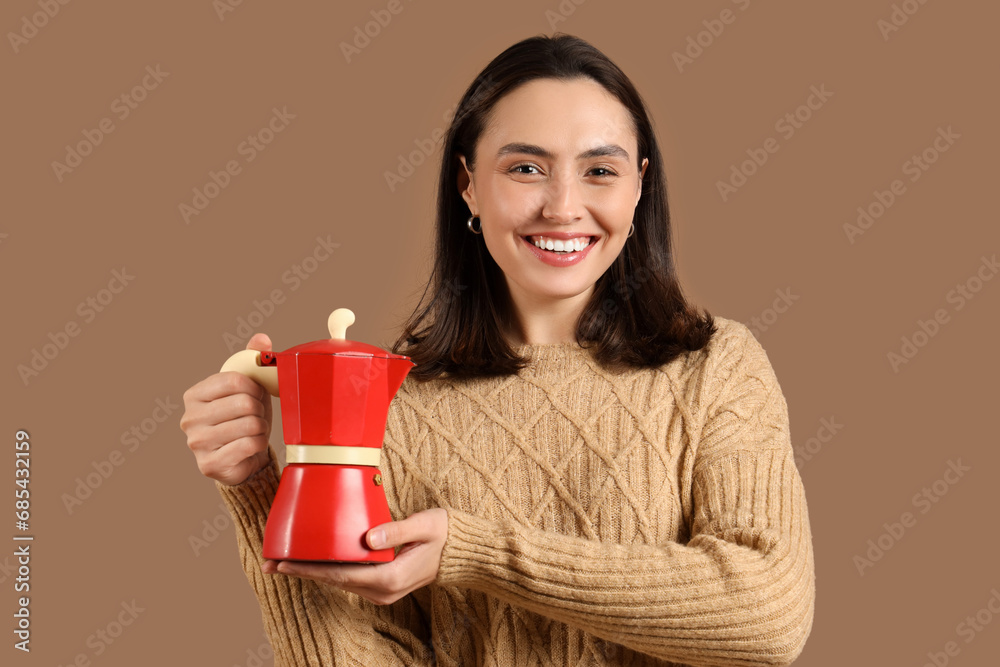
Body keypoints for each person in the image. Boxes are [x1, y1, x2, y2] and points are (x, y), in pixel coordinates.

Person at [181, 33, 815, 666]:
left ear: (639, 186)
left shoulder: (717, 367)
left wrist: (478, 553)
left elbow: (768, 615)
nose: (563, 208)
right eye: (526, 169)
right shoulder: (395, 403)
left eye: (600, 171)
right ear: (468, 185)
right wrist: (257, 489)